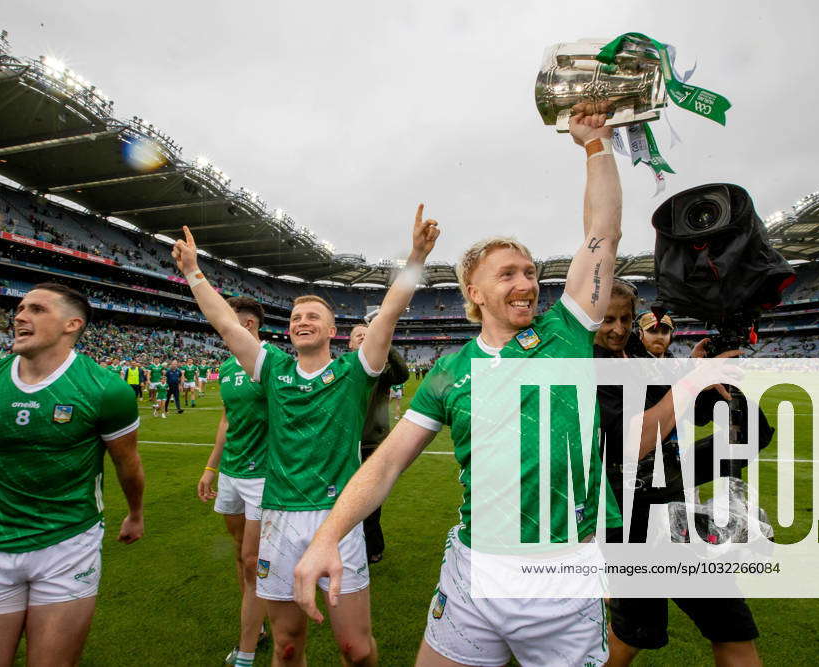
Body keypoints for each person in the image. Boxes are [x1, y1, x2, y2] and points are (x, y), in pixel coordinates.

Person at [293, 107, 622, 666]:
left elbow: (603, 234)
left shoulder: (566, 330)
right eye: (509, 274)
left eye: (530, 272)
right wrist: (328, 537)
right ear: (473, 290)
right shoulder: (450, 372)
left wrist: (596, 147)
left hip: (565, 575)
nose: (527, 283)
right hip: (474, 572)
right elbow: (386, 463)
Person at [172, 206, 439, 667]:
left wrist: (415, 256)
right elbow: (226, 324)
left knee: (355, 649)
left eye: (313, 315)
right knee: (287, 645)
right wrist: (194, 272)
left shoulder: (353, 371)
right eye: (296, 315)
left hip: (338, 518)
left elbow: (391, 311)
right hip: (278, 517)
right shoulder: (271, 368)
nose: (301, 320)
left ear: (333, 331)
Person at [0, 282, 144, 666]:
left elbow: (128, 465)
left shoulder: (106, 390)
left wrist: (135, 514)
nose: (20, 316)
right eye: (20, 309)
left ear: (72, 324)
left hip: (68, 542)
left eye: (37, 309)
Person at [593, 293, 761, 667]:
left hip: (673, 508)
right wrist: (691, 379)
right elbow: (631, 443)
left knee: (731, 628)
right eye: (607, 320)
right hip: (630, 519)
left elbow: (699, 412)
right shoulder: (589, 367)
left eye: (624, 319)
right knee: (632, 635)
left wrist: (703, 374)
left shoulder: (639, 364)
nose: (617, 329)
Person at [198, 296, 271, 667]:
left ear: (246, 326)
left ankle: (250, 639)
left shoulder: (273, 363)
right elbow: (227, 420)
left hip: (263, 476)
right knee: (240, 552)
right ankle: (256, 621)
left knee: (252, 557)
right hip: (232, 473)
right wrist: (212, 467)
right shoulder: (227, 368)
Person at [347, 323, 409, 564]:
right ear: (350, 344)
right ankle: (347, 544)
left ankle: (373, 546)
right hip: (345, 444)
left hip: (373, 445)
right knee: (341, 497)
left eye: (367, 334)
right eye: (359, 336)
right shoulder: (342, 369)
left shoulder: (382, 370)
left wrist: (383, 341)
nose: (364, 338)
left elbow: (402, 374)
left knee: (370, 501)